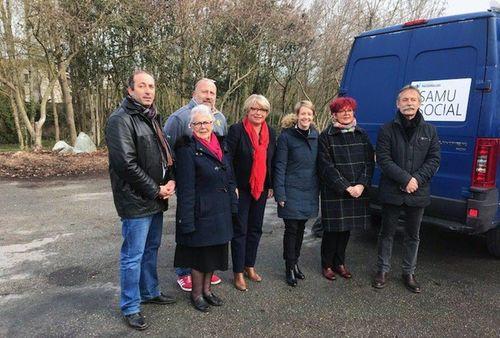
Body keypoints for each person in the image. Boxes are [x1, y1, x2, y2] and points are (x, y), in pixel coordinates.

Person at [105, 70, 176, 331]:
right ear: (130, 90)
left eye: (152, 86)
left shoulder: (151, 117)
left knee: (151, 248)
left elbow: (164, 155)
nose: (148, 91)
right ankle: (131, 306)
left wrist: (170, 181)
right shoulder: (120, 120)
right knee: (132, 255)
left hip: (155, 197)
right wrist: (155, 189)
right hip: (136, 200)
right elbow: (126, 164)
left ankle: (149, 291)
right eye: (142, 86)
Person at [372, 85, 440, 293]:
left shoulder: (430, 130)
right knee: (387, 233)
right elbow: (383, 159)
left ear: (419, 104)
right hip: (392, 191)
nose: (409, 103)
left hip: (418, 192)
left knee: (413, 235)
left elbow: (434, 159)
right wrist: (405, 179)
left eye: (413, 100)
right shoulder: (386, 129)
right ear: (397, 103)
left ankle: (408, 272)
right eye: (405, 100)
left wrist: (415, 180)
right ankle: (382, 270)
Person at [163, 78, 226, 291]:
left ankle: (206, 269)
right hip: (189, 181)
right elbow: (167, 151)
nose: (209, 96)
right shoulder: (178, 118)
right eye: (204, 92)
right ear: (194, 93)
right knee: (190, 226)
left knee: (207, 229)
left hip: (212, 186)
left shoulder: (220, 118)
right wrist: (171, 178)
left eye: (212, 93)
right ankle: (184, 271)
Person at [174, 105, 238, 312]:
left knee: (214, 254)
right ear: (191, 126)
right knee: (199, 257)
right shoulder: (186, 149)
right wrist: (186, 219)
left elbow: (230, 178)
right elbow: (185, 189)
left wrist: (233, 206)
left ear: (213, 123)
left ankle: (208, 291)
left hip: (221, 210)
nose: (203, 126)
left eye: (206, 122)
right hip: (200, 212)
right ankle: (197, 294)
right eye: (198, 123)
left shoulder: (221, 145)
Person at [317, 96, 374, 282]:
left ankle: (340, 263)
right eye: (342, 111)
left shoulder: (362, 134)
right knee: (332, 230)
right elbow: (325, 166)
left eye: (349, 110)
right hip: (335, 191)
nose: (347, 114)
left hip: (357, 189)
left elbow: (369, 162)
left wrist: (361, 185)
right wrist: (346, 187)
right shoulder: (326, 136)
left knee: (346, 229)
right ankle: (326, 264)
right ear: (335, 114)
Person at [227, 94, 276, 291]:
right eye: (254, 109)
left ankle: (249, 266)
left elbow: (271, 161)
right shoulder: (237, 130)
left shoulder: (271, 132)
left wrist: (271, 184)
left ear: (267, 112)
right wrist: (233, 185)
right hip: (242, 188)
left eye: (262, 109)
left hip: (262, 188)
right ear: (247, 110)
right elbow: (228, 159)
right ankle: (238, 272)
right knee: (240, 230)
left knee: (256, 228)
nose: (258, 113)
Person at [273, 101, 319, 286]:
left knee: (301, 229)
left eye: (309, 114)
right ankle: (289, 266)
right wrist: (280, 194)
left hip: (309, 190)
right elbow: (280, 166)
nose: (306, 117)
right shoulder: (286, 137)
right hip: (291, 190)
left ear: (313, 116)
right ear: (297, 115)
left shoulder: (316, 136)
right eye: (303, 114)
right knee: (291, 229)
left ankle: (296, 262)